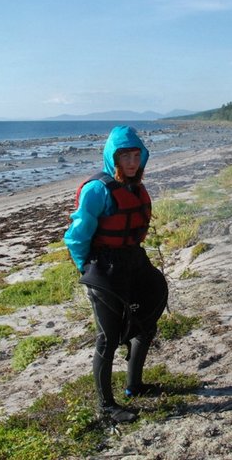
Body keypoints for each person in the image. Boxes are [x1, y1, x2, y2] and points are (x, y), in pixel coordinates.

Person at [64, 125, 168, 423]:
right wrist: (87, 269)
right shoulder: (98, 189)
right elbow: (76, 235)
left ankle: (134, 386)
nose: (132, 162)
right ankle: (106, 406)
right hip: (104, 265)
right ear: (114, 158)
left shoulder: (136, 187)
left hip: (133, 260)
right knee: (108, 337)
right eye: (125, 157)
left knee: (145, 324)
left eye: (136, 156)